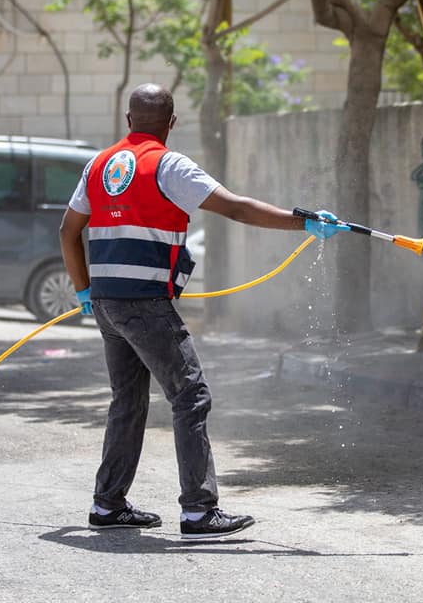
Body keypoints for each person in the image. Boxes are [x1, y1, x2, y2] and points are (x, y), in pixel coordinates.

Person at [59, 83, 347, 540]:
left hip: (109, 304)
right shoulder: (169, 165)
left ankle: (107, 504)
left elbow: (67, 230)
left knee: (128, 400)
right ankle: (198, 511)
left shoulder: (99, 164)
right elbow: (235, 208)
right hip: (146, 304)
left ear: (128, 120)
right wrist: (303, 221)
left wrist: (84, 293)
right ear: (172, 123)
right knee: (190, 395)